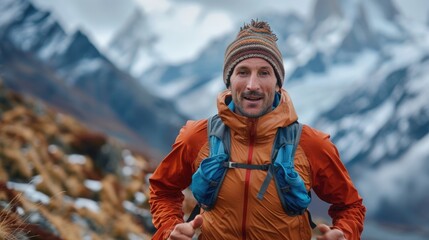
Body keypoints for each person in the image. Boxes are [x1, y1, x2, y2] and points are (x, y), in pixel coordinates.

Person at [149, 19, 366, 240]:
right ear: (229, 81)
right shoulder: (197, 137)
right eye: (242, 72)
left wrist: (345, 234)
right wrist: (169, 231)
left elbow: (350, 206)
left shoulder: (311, 144)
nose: (253, 85)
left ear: (278, 83)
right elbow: (163, 190)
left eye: (264, 73)